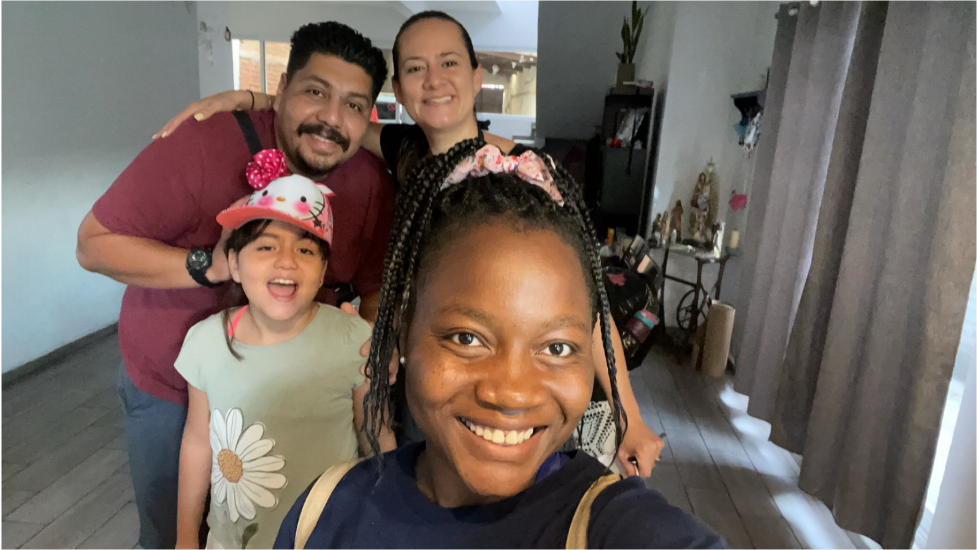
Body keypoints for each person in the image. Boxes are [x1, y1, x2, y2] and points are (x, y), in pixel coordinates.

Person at [157, 11, 664, 478]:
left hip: (523, 391)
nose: (434, 80)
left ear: (475, 73)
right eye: (416, 68)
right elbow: (336, 117)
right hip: (437, 380)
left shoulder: (525, 178)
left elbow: (584, 311)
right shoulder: (406, 150)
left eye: (449, 63)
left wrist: (629, 415)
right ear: (398, 88)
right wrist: (248, 99)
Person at [273, 146, 726, 549]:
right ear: (404, 329)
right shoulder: (323, 512)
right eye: (467, 338)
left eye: (557, 348)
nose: (511, 392)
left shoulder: (611, 527)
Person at [75, 22, 394, 550]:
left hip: (300, 387)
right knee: (171, 533)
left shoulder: (368, 180)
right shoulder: (203, 143)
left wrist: (368, 350)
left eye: (355, 105)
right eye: (315, 91)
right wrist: (212, 265)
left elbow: (375, 287)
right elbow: (93, 243)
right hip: (173, 384)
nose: (332, 119)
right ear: (283, 87)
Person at [174, 167, 396, 550]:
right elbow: (197, 440)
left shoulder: (354, 340)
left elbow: (376, 433)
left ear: (323, 270)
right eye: (266, 246)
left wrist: (389, 520)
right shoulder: (204, 342)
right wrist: (184, 538)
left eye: (306, 249)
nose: (287, 261)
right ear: (235, 266)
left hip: (330, 537)